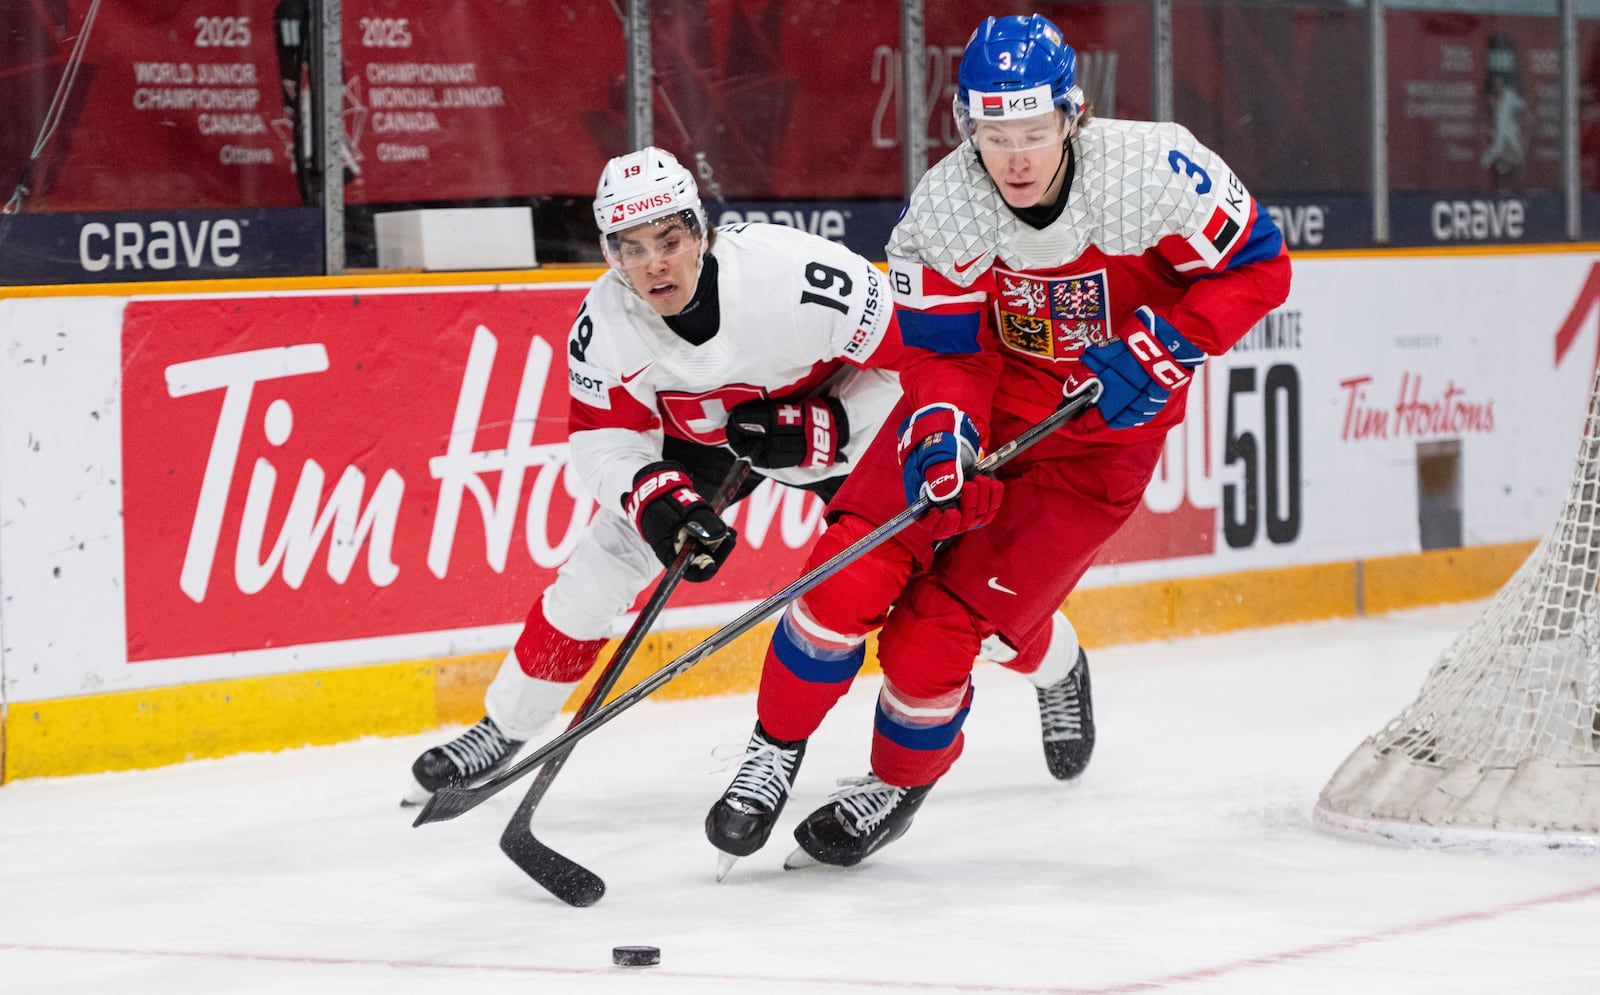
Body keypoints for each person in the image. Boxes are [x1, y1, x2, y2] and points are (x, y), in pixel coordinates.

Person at [706, 12, 1291, 870]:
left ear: (1072, 115)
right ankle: (773, 748)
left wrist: (1170, 343)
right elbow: (948, 353)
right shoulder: (947, 207)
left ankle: (896, 782)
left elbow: (1260, 267)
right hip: (992, 405)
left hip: (1097, 448)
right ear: (966, 124)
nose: (1013, 156)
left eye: (1031, 131)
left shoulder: (1156, 172)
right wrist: (944, 428)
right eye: (993, 133)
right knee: (847, 574)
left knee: (933, 637)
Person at [404, 146, 904, 802]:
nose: (654, 264)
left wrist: (832, 423)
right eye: (630, 250)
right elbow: (602, 436)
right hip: (699, 443)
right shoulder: (605, 322)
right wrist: (655, 498)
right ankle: (504, 727)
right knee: (599, 569)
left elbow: (920, 366)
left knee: (934, 567)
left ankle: (1050, 668)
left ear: (701, 231)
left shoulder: (797, 275)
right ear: (611, 256)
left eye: (668, 239)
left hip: (830, 414)